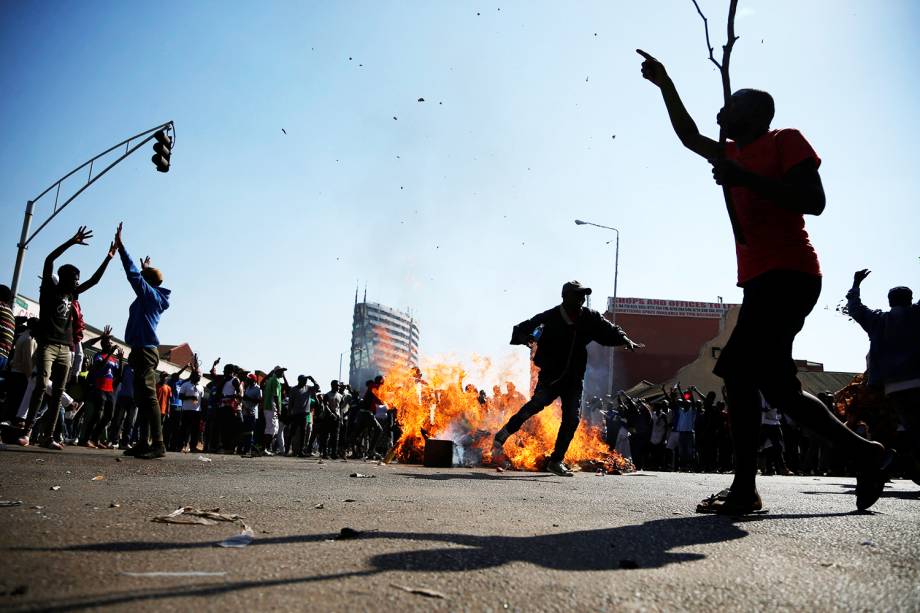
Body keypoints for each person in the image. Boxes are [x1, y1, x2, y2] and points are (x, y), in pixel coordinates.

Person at [637, 50, 890, 512]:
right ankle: (865, 453)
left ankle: (744, 488)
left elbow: (813, 201)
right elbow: (690, 136)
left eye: (729, 106)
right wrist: (665, 84)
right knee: (781, 391)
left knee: (736, 371)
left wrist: (743, 178)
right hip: (761, 281)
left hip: (790, 274)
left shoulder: (784, 141)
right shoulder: (732, 153)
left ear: (754, 114)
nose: (719, 112)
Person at [491, 281, 642, 476]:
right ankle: (502, 435)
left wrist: (625, 339)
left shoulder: (589, 317)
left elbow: (610, 329)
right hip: (551, 377)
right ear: (565, 296)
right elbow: (522, 328)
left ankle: (556, 460)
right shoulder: (550, 316)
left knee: (571, 419)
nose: (581, 299)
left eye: (583, 295)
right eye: (577, 295)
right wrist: (528, 338)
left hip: (574, 379)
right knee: (535, 406)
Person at [18, 227, 115, 448]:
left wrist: (108, 258)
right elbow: (49, 259)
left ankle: (48, 437)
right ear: (65, 278)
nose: (78, 283)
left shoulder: (73, 295)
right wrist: (71, 241)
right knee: (42, 385)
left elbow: (95, 281)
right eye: (75, 279)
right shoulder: (48, 291)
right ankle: (27, 430)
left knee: (58, 392)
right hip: (48, 345)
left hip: (65, 349)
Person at [847, 270, 920, 483]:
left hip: (893, 385)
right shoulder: (917, 314)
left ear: (889, 301)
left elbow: (855, 308)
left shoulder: (879, 321)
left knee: (908, 425)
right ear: (910, 299)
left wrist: (856, 284)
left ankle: (900, 460)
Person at [112, 223, 171, 459]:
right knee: (142, 399)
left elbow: (133, 275)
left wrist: (122, 248)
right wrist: (147, 270)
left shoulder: (149, 296)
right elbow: (142, 278)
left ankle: (158, 444)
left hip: (146, 350)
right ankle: (144, 442)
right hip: (139, 349)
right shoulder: (150, 296)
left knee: (148, 397)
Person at [178, 371, 205, 453]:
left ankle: (193, 447)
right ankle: (182, 446)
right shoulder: (185, 385)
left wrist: (202, 411)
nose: (199, 377)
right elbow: (180, 396)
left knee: (195, 430)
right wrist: (190, 397)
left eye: (200, 376)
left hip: (197, 411)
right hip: (187, 410)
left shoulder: (201, 387)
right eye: (198, 375)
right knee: (184, 429)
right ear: (193, 376)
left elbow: (202, 400)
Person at [261, 366, 284, 455]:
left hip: (268, 407)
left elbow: (262, 384)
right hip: (271, 407)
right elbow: (276, 396)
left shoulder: (270, 380)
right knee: (272, 429)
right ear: (277, 372)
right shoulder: (275, 381)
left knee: (270, 429)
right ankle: (265, 448)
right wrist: (278, 409)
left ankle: (265, 448)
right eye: (281, 371)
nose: (283, 373)